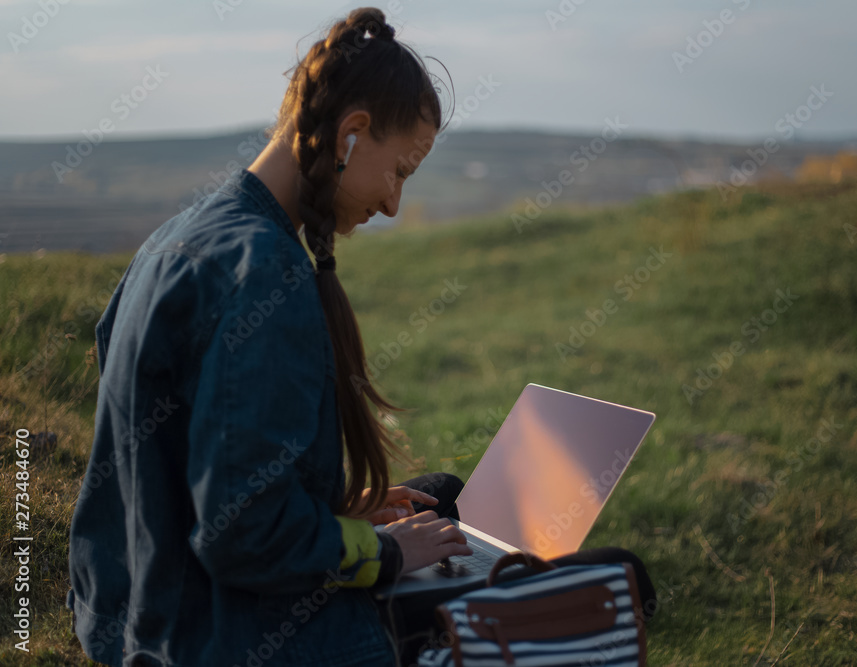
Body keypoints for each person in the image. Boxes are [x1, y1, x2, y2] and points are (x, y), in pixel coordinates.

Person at [66, 8, 655, 667]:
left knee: (445, 495)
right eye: (400, 171)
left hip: (140, 609)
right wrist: (387, 553)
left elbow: (191, 462)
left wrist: (347, 507)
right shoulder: (265, 278)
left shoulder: (179, 239)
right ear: (350, 135)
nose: (395, 204)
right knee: (618, 573)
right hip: (231, 635)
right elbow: (243, 534)